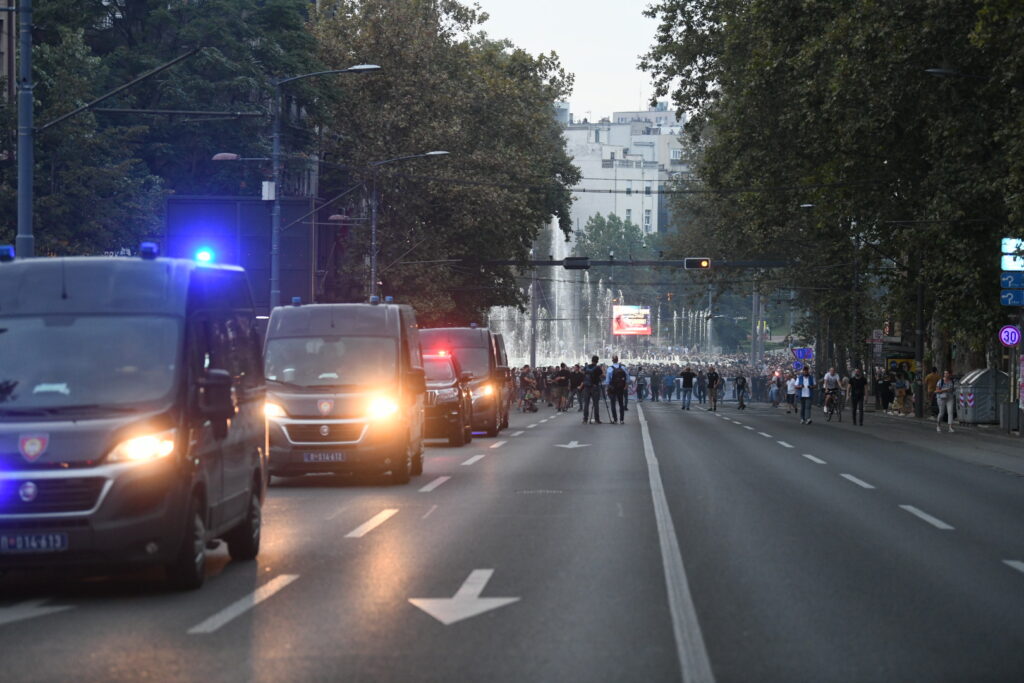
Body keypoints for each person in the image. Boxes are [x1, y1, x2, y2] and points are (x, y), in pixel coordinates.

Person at [581, 355, 604, 424]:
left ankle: (585, 419)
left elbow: (583, 373)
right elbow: (602, 375)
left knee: (586, 404)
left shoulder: (586, 367)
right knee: (596, 403)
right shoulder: (598, 368)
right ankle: (597, 419)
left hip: (587, 387)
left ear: (591, 360)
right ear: (597, 361)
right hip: (595, 387)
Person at [607, 355, 629, 424]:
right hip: (621, 387)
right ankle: (622, 420)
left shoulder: (609, 369)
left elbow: (607, 380)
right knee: (621, 403)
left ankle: (615, 419)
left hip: (613, 388)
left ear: (612, 360)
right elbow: (627, 378)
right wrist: (626, 385)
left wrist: (607, 388)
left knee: (613, 404)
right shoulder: (623, 367)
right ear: (618, 360)